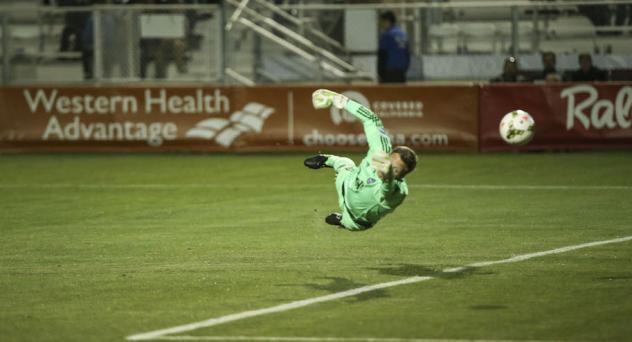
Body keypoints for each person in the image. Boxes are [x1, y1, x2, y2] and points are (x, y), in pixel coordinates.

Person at [304, 89, 418, 231]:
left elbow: (387, 184)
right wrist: (341, 100)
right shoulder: (381, 150)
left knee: (348, 223)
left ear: (403, 174)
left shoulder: (398, 192)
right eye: (391, 162)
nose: (390, 168)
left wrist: (387, 173)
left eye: (396, 169)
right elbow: (372, 119)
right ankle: (325, 159)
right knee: (345, 163)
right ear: (389, 155)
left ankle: (342, 220)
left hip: (355, 219)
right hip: (348, 183)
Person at [377, 11, 410, 83]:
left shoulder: (387, 35)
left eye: (382, 22)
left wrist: (380, 72)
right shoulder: (403, 35)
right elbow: (407, 54)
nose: (381, 25)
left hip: (389, 73)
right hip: (401, 73)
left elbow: (382, 55)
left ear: (387, 21)